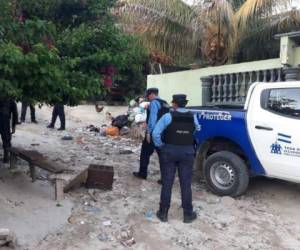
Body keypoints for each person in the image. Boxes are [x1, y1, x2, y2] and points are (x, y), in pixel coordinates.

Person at [152, 94, 200, 223]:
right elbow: (197, 129)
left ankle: (163, 213)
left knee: (167, 182)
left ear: (174, 104)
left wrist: (161, 145)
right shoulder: (193, 116)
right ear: (185, 104)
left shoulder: (167, 116)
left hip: (169, 151)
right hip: (187, 152)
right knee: (186, 183)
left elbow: (155, 133)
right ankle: (188, 214)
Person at [133, 88, 169, 181]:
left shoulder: (154, 103)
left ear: (152, 94)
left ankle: (142, 173)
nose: (148, 98)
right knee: (162, 156)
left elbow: (153, 119)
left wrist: (149, 132)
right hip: (163, 134)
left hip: (153, 134)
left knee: (145, 153)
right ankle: (164, 178)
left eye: (148, 95)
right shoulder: (165, 103)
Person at [0, 98, 18, 163]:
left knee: (6, 139)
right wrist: (13, 126)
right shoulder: (11, 99)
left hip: (4, 118)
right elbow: (15, 114)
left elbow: (15, 114)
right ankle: (6, 158)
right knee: (6, 139)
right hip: (4, 119)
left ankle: (6, 157)